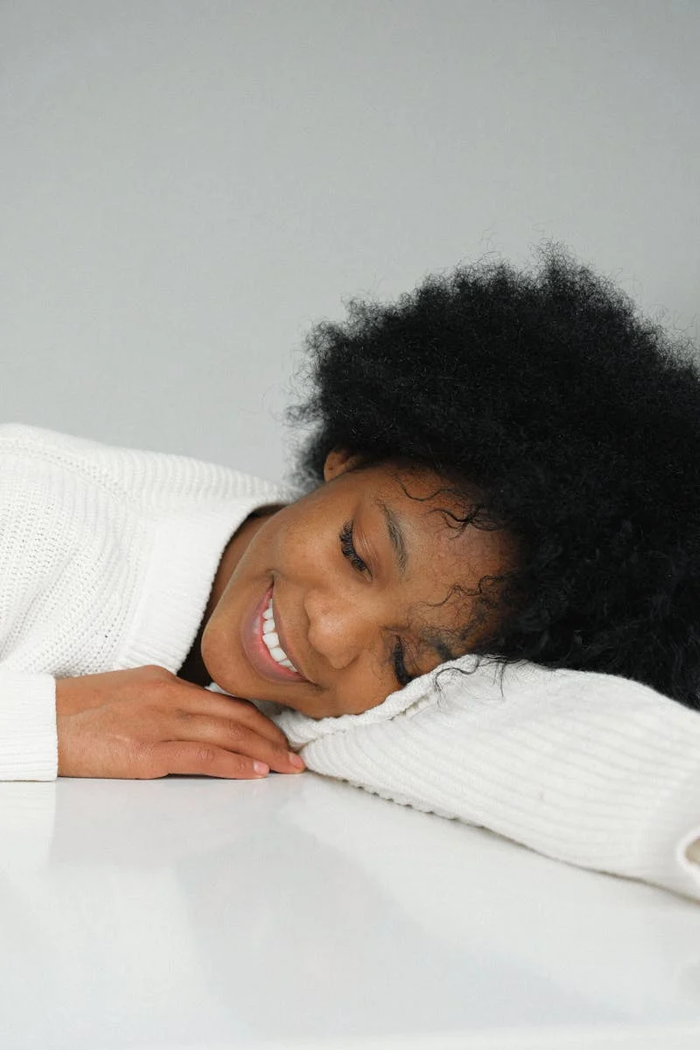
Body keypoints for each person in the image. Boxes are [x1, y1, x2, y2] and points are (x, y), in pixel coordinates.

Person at [2, 242, 699, 782]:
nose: (331, 635)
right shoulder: (32, 522)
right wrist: (52, 725)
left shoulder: (410, 693)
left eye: (402, 661)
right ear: (348, 455)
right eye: (357, 553)